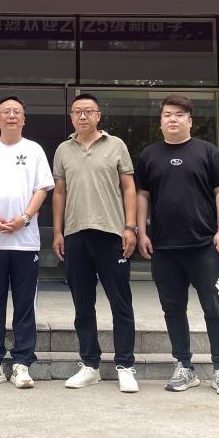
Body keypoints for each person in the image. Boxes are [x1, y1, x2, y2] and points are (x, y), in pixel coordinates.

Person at [135, 93, 219, 397]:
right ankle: (184, 366)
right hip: (165, 248)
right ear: (160, 121)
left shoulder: (207, 151)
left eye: (179, 114)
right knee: (173, 309)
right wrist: (141, 233)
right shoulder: (150, 155)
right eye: (168, 114)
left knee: (215, 307)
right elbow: (142, 195)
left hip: (205, 245)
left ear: (190, 121)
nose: (173, 119)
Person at [52, 93, 139, 393]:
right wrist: (58, 231)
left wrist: (130, 226)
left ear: (98, 115)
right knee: (82, 304)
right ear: (71, 116)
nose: (82, 116)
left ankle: (125, 365)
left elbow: (129, 187)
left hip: (112, 233)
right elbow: (59, 192)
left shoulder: (116, 145)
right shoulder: (63, 149)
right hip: (76, 235)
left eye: (88, 111)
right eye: (77, 111)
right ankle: (90, 365)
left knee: (120, 303)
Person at [0, 96, 54, 389]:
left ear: (24, 119)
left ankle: (22, 363)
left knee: (25, 303)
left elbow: (42, 188)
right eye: (5, 112)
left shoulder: (34, 150)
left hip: (25, 242)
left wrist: (25, 217)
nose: (11, 116)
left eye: (16, 112)